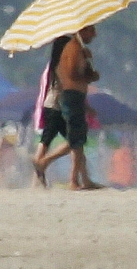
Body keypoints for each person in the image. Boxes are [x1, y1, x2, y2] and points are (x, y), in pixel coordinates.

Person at [34, 26, 103, 190]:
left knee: (78, 140)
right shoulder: (72, 47)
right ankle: (45, 162)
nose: (94, 35)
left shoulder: (79, 48)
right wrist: (88, 72)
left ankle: (81, 180)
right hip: (70, 96)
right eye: (91, 31)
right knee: (75, 139)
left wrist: (88, 66)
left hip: (75, 96)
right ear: (83, 31)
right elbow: (71, 73)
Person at [31, 35, 73, 187]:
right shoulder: (63, 64)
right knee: (74, 141)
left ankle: (36, 181)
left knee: (45, 141)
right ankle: (43, 162)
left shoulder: (53, 64)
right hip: (57, 106)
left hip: (49, 105)